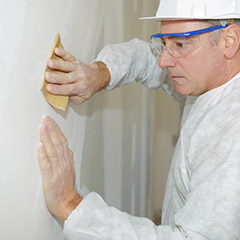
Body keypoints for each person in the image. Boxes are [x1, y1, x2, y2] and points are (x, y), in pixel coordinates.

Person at [38, 0, 240, 239]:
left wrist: (72, 206)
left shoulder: (232, 138)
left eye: (181, 44)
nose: (165, 60)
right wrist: (98, 74)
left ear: (229, 41)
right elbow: (148, 57)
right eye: (165, 43)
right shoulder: (213, 78)